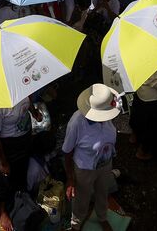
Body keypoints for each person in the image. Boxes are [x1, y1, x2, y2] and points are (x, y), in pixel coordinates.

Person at [63, 83, 120, 231]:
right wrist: (70, 178)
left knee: (103, 192)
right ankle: (76, 223)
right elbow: (67, 152)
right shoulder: (76, 122)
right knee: (82, 199)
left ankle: (102, 216)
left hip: (105, 163)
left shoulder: (108, 114)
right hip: (85, 168)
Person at [0, 96, 41, 231]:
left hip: (24, 140)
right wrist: (3, 162)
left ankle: (21, 198)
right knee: (4, 179)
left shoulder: (19, 86)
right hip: (8, 147)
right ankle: (2, 211)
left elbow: (28, 100)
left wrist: (34, 113)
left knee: (20, 172)